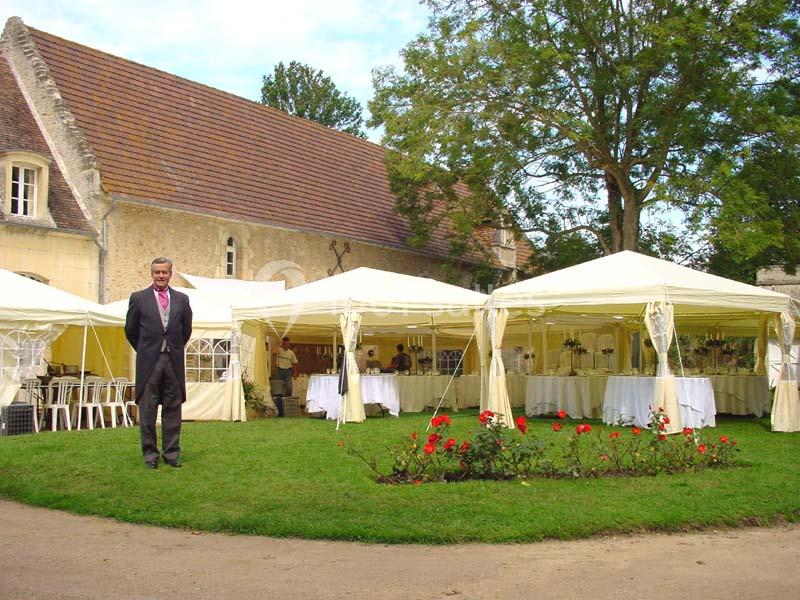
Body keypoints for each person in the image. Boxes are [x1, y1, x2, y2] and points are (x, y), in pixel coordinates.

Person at [124, 257, 192, 469]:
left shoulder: (182, 299)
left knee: (173, 409)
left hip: (173, 359)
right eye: (157, 272)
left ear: (170, 274)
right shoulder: (138, 298)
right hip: (149, 362)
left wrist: (173, 347)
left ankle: (171, 455)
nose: (161, 276)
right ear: (151, 274)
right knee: (148, 410)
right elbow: (130, 330)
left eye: (164, 272)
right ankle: (150, 456)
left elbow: (186, 329)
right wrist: (146, 350)